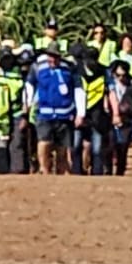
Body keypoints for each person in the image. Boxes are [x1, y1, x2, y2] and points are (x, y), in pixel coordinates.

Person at [29, 42, 83, 175]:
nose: (52, 59)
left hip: (64, 114)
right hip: (44, 113)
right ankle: (44, 169)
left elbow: (78, 89)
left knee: (62, 147)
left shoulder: (70, 69)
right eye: (50, 56)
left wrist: (80, 113)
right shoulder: (38, 68)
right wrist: (28, 102)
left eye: (55, 56)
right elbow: (29, 85)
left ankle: (60, 171)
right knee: (44, 142)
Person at [73, 45, 110, 176]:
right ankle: (77, 172)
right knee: (76, 145)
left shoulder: (104, 71)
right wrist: (78, 114)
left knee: (97, 148)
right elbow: (76, 92)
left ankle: (97, 173)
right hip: (79, 113)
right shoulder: (77, 71)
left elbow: (109, 91)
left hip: (97, 114)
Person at [107, 57, 132, 176]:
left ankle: (120, 171)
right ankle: (107, 171)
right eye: (118, 75)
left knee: (123, 146)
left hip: (127, 119)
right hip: (109, 118)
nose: (121, 78)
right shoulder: (109, 85)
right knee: (109, 146)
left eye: (123, 75)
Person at [0, 48, 30, 175]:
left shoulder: (19, 75)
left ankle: (18, 172)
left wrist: (25, 116)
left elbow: (25, 96)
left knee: (17, 143)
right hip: (0, 116)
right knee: (1, 144)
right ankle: (2, 172)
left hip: (17, 114)